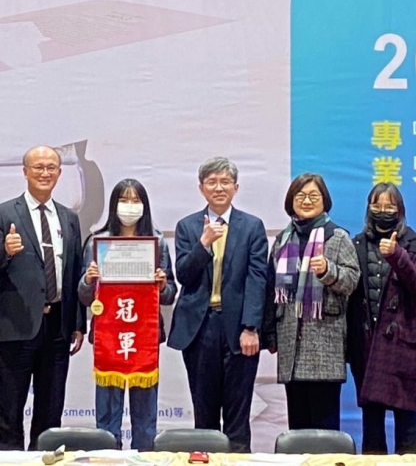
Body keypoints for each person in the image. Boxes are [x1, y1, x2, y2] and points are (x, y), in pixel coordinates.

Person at [167, 157, 268, 452]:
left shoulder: (252, 227)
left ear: (236, 187)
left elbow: (257, 279)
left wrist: (251, 327)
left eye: (225, 182)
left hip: (238, 328)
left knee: (238, 414)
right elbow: (184, 274)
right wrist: (203, 244)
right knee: (205, 413)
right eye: (212, 182)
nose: (219, 187)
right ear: (201, 188)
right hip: (200, 329)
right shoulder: (187, 226)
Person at [78, 179, 177, 450]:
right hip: (109, 338)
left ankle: (144, 457)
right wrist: (88, 280)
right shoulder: (97, 242)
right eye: (124, 200)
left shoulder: (156, 242)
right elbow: (84, 296)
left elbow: (170, 295)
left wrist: (162, 284)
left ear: (144, 206)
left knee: (145, 418)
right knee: (107, 416)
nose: (130, 206)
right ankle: (108, 458)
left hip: (143, 337)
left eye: (135, 200)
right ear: (114, 205)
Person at [0, 146, 86, 450]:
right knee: (8, 412)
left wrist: (78, 324)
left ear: (59, 173)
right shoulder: (5, 213)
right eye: (38, 167)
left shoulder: (69, 218)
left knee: (50, 412)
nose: (45, 173)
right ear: (25, 171)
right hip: (16, 327)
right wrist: (4, 251)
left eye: (51, 167)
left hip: (58, 328)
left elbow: (75, 271)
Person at [262, 173, 359, 431]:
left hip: (325, 343)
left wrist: (328, 270)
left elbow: (352, 281)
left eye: (313, 196)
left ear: (324, 200)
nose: (306, 201)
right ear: (291, 201)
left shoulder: (337, 237)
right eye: (300, 196)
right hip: (290, 345)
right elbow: (271, 289)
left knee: (324, 430)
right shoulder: (282, 240)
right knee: (297, 427)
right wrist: (270, 334)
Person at [347, 183, 416, 454]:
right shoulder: (356, 243)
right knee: (371, 419)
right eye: (377, 205)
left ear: (400, 210)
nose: (382, 211)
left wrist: (397, 256)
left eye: (389, 206)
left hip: (402, 343)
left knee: (406, 417)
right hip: (365, 343)